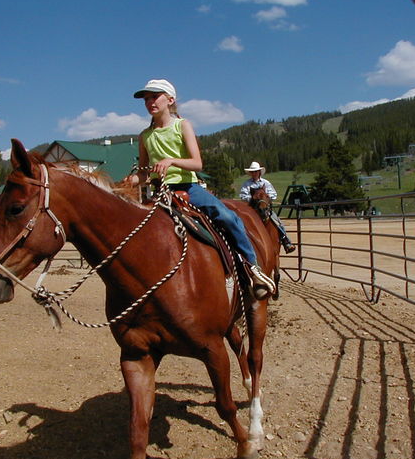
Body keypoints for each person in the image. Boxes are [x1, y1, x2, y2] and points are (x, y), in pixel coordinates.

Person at [125, 79, 275, 300]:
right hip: (160, 192)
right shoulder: (145, 136)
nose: (149, 102)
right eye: (146, 98)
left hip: (188, 188)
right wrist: (132, 180)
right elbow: (147, 173)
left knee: (228, 217)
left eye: (154, 96)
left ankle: (253, 268)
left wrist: (171, 161)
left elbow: (197, 163)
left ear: (170, 100)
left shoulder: (181, 125)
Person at [240, 161, 296, 254]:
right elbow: (242, 196)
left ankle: (286, 241)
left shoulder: (266, 183)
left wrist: (266, 198)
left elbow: (274, 194)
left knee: (278, 222)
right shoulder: (246, 184)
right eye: (252, 172)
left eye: (256, 171)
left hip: (265, 209)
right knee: (241, 224)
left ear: (259, 172)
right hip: (252, 210)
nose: (254, 173)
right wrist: (253, 199)